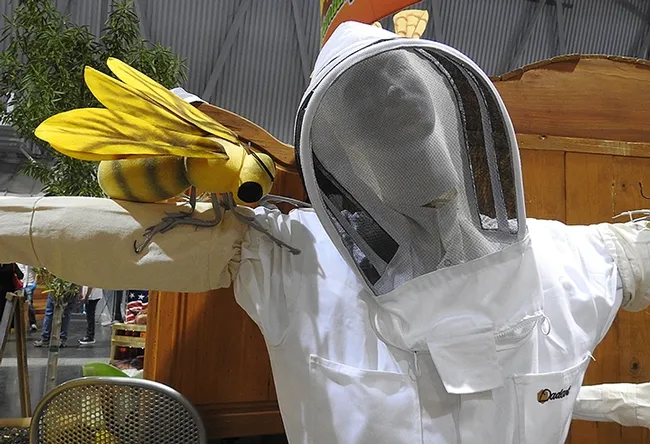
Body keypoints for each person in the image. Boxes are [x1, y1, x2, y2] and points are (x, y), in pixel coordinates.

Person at [0, 22, 648, 443]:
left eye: (413, 118)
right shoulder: (293, 260)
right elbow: (98, 235)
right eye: (366, 125)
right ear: (330, 155)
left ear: (457, 117)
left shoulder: (580, 261)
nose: (403, 147)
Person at [17, 264, 38, 331]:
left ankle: (32, 323)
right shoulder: (17, 260)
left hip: (30, 284)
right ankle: (19, 324)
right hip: (20, 284)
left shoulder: (32, 260)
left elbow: (39, 270)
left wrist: (35, 282)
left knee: (29, 304)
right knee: (18, 305)